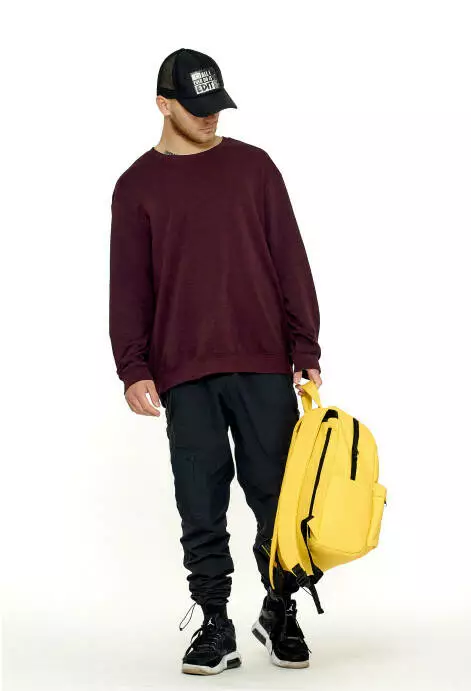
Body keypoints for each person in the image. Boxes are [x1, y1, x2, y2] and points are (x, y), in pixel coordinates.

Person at [108, 47, 323, 675]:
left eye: (217, 106)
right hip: (184, 368)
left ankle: (280, 608)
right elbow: (129, 286)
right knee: (199, 501)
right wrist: (133, 366)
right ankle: (214, 621)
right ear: (163, 104)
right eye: (197, 107)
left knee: (277, 496)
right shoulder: (136, 186)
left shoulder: (254, 167)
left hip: (263, 360)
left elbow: (290, 259)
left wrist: (305, 347)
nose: (210, 117)